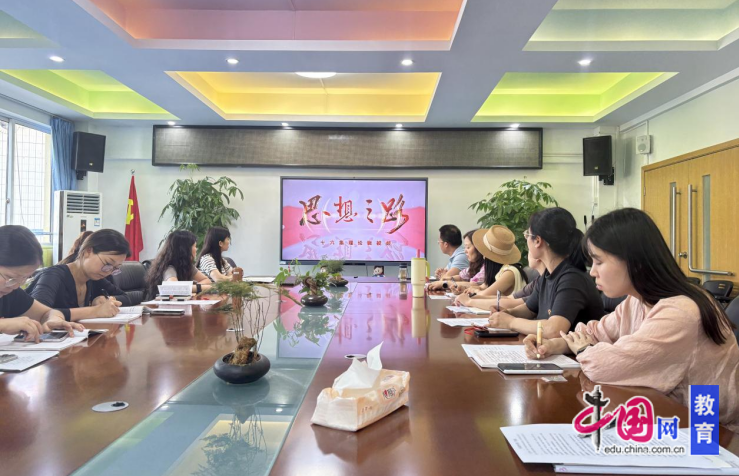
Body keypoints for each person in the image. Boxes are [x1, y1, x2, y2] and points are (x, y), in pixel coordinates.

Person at [523, 208, 739, 430]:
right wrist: (552, 345)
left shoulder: (680, 313)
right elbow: (595, 332)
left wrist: (584, 349)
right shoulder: (637, 301)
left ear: (633, 262)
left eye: (599, 262)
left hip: (711, 434)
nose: (592, 272)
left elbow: (606, 367)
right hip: (669, 418)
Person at [487, 207, 603, 337]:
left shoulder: (572, 278)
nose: (526, 239)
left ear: (537, 241)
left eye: (527, 234)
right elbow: (529, 310)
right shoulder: (548, 274)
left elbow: (554, 329)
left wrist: (511, 322)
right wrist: (507, 314)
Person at [27, 229, 131, 322]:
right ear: (88, 251)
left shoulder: (94, 278)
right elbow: (36, 314)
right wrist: (94, 311)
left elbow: (126, 298)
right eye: (107, 264)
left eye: (115, 268)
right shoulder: (53, 276)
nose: (108, 272)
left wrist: (107, 299)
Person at [0, 225, 83, 341]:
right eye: (10, 278)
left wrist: (53, 319)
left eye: (24, 279)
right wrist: (3, 325)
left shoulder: (10, 293)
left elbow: (47, 313)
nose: (16, 286)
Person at [454, 225, 527, 306]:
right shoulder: (499, 270)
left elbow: (485, 294)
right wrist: (466, 289)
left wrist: (475, 291)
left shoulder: (510, 272)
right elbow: (483, 287)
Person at [146, 230, 211, 299]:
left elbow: (207, 280)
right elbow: (174, 287)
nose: (196, 249)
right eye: (194, 246)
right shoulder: (168, 266)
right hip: (159, 304)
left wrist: (188, 288)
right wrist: (199, 288)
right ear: (185, 249)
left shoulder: (185, 265)